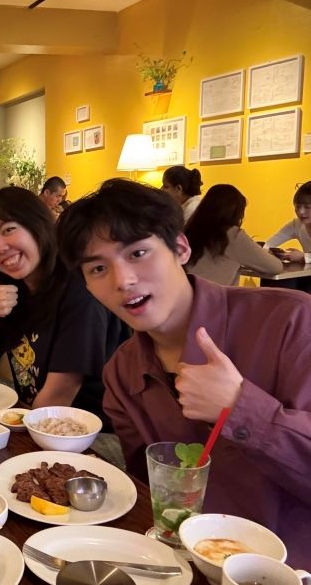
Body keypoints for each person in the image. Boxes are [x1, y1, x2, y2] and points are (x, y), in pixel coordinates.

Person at [57, 178, 311, 567]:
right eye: (98, 268)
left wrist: (240, 408)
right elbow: (149, 492)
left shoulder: (291, 322)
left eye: (138, 253)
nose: (123, 280)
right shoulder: (122, 374)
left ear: (180, 248)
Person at [0, 187, 126, 422]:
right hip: (37, 419)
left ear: (37, 225)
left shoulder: (79, 290)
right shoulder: (14, 291)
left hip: (91, 433)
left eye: (9, 229)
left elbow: (59, 396)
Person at [184, 184, 282, 285]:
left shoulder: (191, 229)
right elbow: (275, 267)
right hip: (213, 294)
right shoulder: (232, 235)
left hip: (187, 292)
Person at [265, 180, 311, 264]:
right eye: (298, 207)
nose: (301, 212)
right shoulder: (296, 224)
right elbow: (268, 244)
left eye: (307, 207)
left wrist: (303, 257)